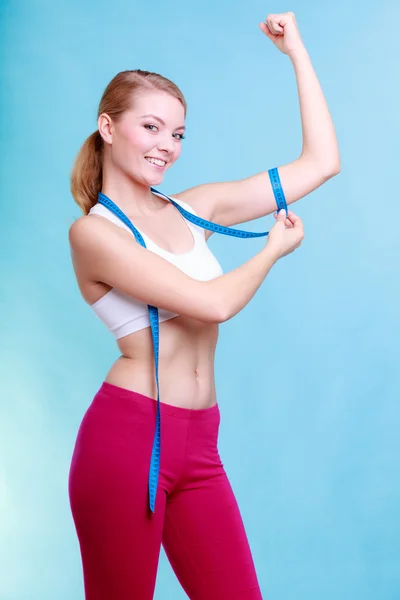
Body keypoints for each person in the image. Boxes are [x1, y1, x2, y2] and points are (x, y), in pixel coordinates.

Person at [67, 12, 339, 600]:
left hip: (200, 444)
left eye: (179, 134)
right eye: (152, 127)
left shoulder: (196, 208)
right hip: (129, 441)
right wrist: (270, 251)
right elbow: (213, 304)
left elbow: (321, 163)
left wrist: (297, 54)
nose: (167, 146)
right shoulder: (95, 235)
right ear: (108, 127)